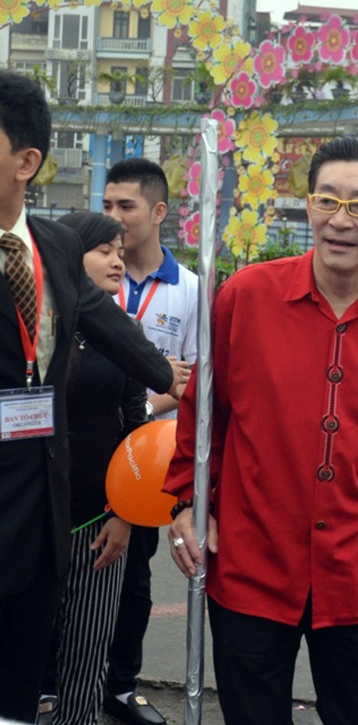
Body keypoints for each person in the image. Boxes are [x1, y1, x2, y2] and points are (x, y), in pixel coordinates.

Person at [164, 135, 358, 725]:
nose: (339, 220)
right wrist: (186, 500)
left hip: (357, 576)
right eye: (326, 200)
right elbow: (204, 417)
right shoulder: (246, 297)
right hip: (251, 566)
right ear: (309, 206)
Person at [0, 70, 186, 724]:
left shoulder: (53, 246)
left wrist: (175, 380)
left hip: (42, 509)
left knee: (20, 689)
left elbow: (111, 328)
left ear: (26, 162)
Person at [39, 212, 146, 725]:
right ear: (68, 257)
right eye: (104, 251)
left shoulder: (126, 333)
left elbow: (135, 430)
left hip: (98, 522)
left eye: (121, 252)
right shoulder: (34, 328)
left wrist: (123, 515)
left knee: (87, 652)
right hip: (33, 520)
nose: (117, 261)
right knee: (21, 649)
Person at [102, 157, 198, 725]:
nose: (114, 216)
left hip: (145, 463)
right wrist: (162, 383)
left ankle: (119, 687)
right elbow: (171, 380)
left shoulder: (190, 290)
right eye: (107, 205)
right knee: (69, 568)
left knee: (134, 577)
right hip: (89, 446)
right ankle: (53, 683)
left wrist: (158, 396)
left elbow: (195, 382)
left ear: (159, 211)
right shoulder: (90, 275)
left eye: (127, 205)